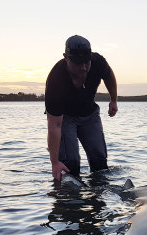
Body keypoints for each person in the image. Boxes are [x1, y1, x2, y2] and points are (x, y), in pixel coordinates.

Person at [45, 35, 118, 181]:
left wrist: (113, 100)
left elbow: (109, 76)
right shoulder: (56, 79)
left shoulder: (98, 62)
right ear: (66, 57)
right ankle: (69, 198)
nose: (84, 67)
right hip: (65, 118)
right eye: (78, 63)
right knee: (70, 163)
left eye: (86, 62)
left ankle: (98, 197)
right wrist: (54, 162)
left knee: (99, 160)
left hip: (89, 115)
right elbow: (54, 125)